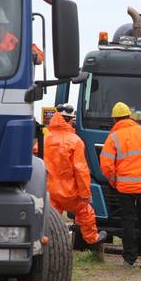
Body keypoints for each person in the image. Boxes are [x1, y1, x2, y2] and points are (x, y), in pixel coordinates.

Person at [100, 102, 141, 269]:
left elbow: (106, 164)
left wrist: (114, 181)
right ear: (130, 117)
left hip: (124, 188)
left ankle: (129, 260)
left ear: (114, 119)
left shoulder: (113, 137)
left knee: (128, 221)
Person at [43, 104, 107, 251]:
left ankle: (48, 245)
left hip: (49, 189)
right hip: (69, 190)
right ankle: (93, 240)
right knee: (85, 211)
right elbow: (81, 170)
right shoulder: (75, 141)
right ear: (68, 120)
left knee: (50, 219)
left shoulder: (46, 138)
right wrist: (85, 194)